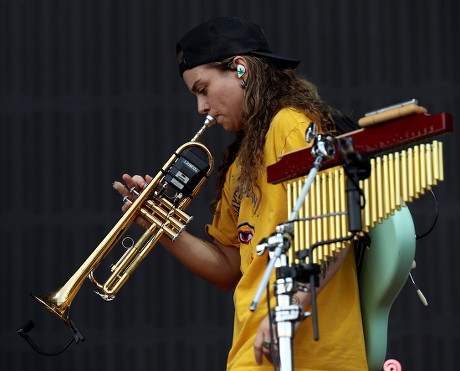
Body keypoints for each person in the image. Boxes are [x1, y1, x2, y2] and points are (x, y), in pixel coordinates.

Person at [114, 16, 368, 370]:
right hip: (251, 356)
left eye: (203, 89)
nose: (201, 107)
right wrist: (156, 224)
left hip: (312, 359)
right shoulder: (239, 162)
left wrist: (287, 310)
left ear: (240, 69)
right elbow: (229, 268)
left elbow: (337, 226)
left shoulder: (290, 125)